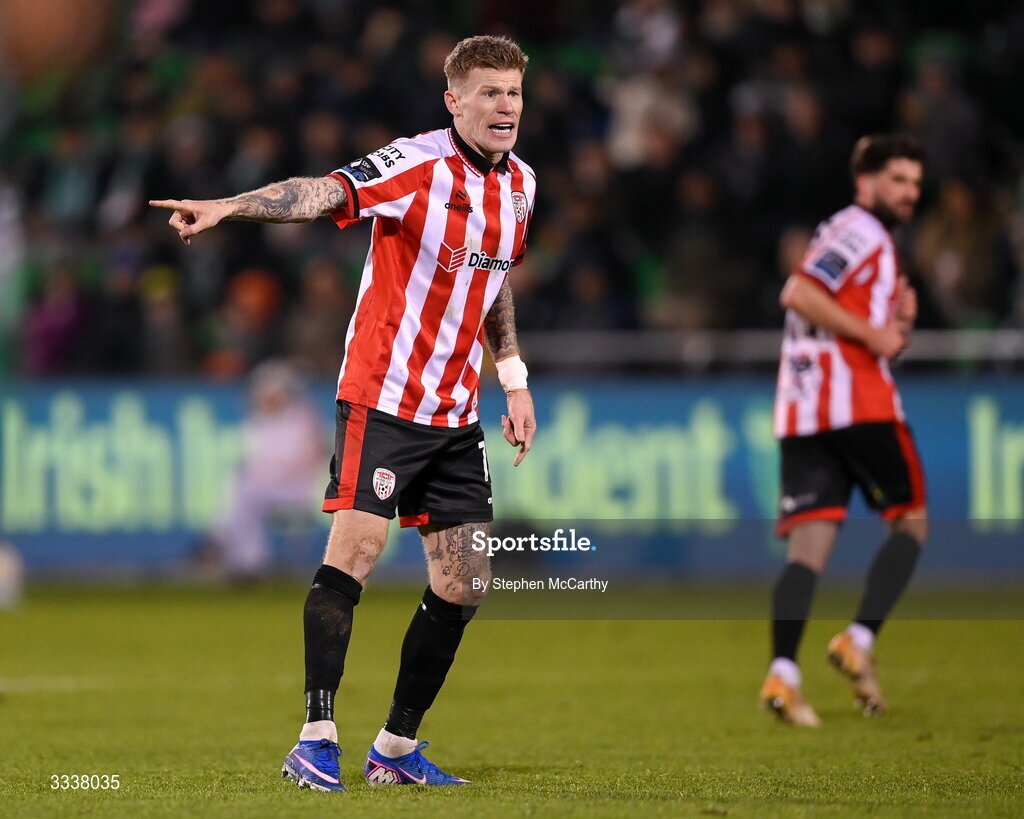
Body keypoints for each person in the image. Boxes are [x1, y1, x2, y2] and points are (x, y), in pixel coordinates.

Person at [151, 35, 537, 789]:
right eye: (489, 93)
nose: (506, 108)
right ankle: (315, 735)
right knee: (355, 550)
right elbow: (322, 191)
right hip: (383, 397)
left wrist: (514, 376)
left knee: (465, 580)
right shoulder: (418, 163)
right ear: (454, 102)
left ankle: (395, 749)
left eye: (515, 94)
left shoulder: (521, 185)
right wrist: (230, 206)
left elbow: (494, 281)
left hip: (455, 412)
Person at [760, 134, 928, 726]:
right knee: (910, 521)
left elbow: (828, 302)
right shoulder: (861, 230)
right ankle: (858, 638)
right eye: (898, 181)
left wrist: (889, 320)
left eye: (914, 183)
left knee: (808, 549)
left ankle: (784, 675)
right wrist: (877, 335)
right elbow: (800, 292)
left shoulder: (846, 233)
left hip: (805, 410)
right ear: (866, 180)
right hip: (858, 403)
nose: (909, 193)